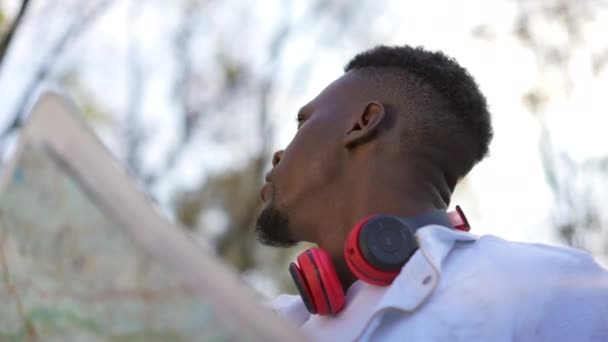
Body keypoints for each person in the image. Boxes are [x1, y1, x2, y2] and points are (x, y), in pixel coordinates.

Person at [255, 45, 608, 341]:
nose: (280, 154)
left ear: (363, 124)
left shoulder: (552, 287)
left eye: (302, 122)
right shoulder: (264, 323)